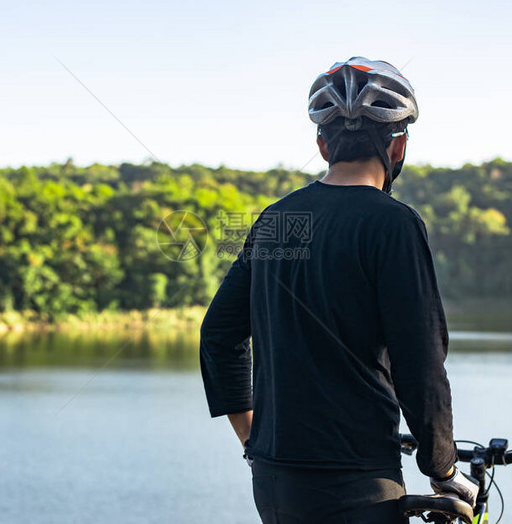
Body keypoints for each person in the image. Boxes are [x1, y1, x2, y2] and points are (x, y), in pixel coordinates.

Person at [199, 57, 477, 523]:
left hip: (274, 479)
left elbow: (218, 334)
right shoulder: (394, 224)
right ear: (398, 146)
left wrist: (254, 440)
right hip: (356, 479)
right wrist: (442, 467)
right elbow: (420, 363)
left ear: (323, 144)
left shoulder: (277, 220)